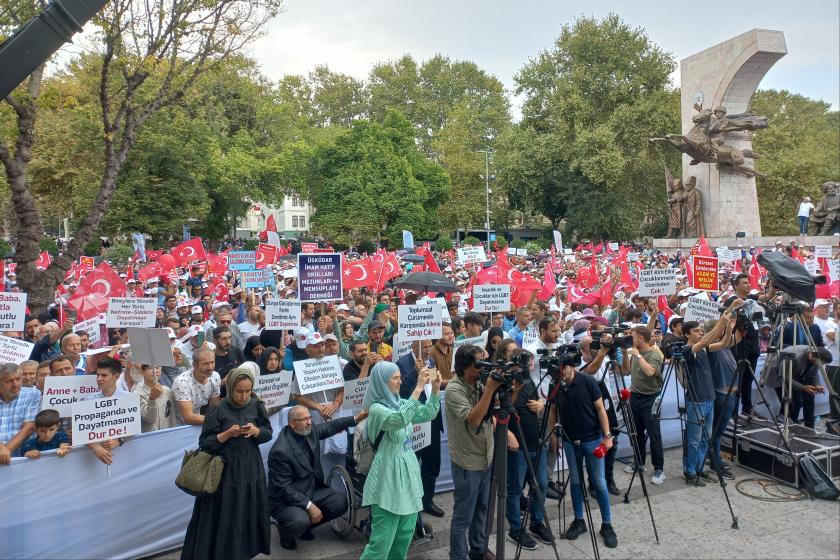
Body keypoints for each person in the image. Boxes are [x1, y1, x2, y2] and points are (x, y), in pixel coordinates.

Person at [181, 368, 273, 560]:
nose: (244, 395)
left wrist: (256, 431)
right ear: (230, 388)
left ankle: (244, 552)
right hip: (225, 472)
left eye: (248, 391)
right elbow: (205, 444)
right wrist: (226, 435)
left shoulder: (256, 405)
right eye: (240, 391)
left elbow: (267, 432)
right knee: (227, 514)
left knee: (247, 511)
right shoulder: (217, 409)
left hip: (251, 468)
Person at [359, 361, 441, 559]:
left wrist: (436, 389)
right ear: (381, 382)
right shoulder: (377, 409)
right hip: (387, 476)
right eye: (395, 378)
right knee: (381, 543)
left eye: (399, 377)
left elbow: (428, 413)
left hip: (407, 474)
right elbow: (400, 420)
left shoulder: (402, 402)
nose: (400, 381)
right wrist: (418, 387)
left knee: (404, 536)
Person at [268, 405, 365, 551]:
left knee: (340, 503)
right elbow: (283, 488)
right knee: (298, 522)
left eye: (309, 418)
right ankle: (286, 532)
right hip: (286, 500)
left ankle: (306, 525)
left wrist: (356, 418)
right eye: (304, 419)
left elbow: (331, 426)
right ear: (292, 423)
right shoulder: (280, 451)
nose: (309, 422)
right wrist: (309, 506)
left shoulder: (309, 430)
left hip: (311, 488)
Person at [547, 355, 618, 549]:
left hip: (593, 439)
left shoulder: (587, 381)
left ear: (571, 367)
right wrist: (553, 434)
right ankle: (579, 520)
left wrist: (607, 435)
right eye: (558, 372)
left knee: (599, 482)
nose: (562, 375)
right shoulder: (556, 385)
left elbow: (600, 409)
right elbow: (552, 410)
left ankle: (607, 524)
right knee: (576, 482)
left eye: (564, 371)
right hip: (570, 442)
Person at [446, 344, 499, 560]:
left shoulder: (478, 381)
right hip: (467, 462)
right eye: (479, 363)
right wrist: (489, 389)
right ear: (466, 366)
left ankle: (478, 549)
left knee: (483, 508)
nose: (483, 367)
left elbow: (494, 410)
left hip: (486, 456)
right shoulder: (454, 389)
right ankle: (458, 556)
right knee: (463, 516)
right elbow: (474, 419)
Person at [504, 348, 552, 550]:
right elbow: (504, 409)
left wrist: (541, 404)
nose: (527, 366)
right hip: (519, 448)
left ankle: (536, 521)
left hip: (536, 444)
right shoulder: (506, 382)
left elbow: (536, 402)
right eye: (522, 362)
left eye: (528, 362)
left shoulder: (529, 379)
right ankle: (515, 528)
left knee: (541, 484)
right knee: (515, 490)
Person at [396, 339, 445, 517]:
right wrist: (413, 373)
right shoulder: (401, 364)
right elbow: (400, 393)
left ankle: (427, 500)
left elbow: (432, 388)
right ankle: (410, 503)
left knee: (432, 463)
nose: (427, 350)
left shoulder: (430, 361)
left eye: (428, 346)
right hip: (414, 422)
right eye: (423, 347)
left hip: (431, 420)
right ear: (413, 347)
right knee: (412, 464)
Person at [620, 326, 666, 485]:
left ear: (640, 338)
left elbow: (650, 372)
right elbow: (625, 371)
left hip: (651, 398)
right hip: (635, 397)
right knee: (636, 432)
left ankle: (659, 469)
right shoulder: (634, 353)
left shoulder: (654, 354)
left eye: (632, 336)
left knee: (654, 434)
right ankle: (639, 463)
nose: (630, 339)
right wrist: (626, 354)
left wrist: (638, 355)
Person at [0, 363, 40, 464]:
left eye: (18, 379)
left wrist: (5, 450)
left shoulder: (32, 395)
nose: (15, 384)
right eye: (9, 381)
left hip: (24, 457)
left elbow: (29, 428)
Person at [172, 347, 222, 426]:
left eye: (212, 362)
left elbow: (214, 407)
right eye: (205, 364)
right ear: (194, 365)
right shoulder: (182, 382)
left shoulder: (215, 377)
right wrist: (217, 420)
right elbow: (188, 418)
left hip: (202, 421)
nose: (210, 367)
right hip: (180, 426)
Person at [134, 364, 177, 432]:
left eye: (157, 367)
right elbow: (149, 419)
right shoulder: (137, 393)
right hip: (150, 438)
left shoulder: (167, 390)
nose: (155, 371)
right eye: (150, 368)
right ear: (142, 372)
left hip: (167, 435)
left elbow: (172, 417)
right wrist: (152, 399)